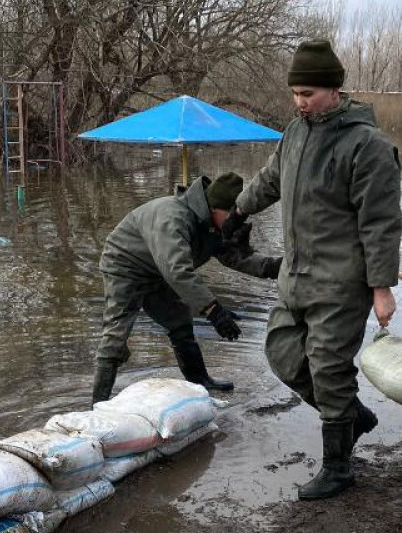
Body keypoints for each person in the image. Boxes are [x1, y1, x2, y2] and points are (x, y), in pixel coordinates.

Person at [234, 39, 402, 501]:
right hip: (296, 276)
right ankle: (353, 416)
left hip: (342, 282)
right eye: (295, 93)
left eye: (308, 94)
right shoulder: (295, 132)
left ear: (334, 89)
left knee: (329, 368)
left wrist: (381, 287)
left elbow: (382, 222)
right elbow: (270, 179)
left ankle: (338, 468)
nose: (299, 102)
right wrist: (237, 211)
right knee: (282, 353)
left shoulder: (367, 145)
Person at [92, 172, 280, 404]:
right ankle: (96, 407)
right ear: (215, 208)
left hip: (158, 271)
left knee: (179, 320)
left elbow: (235, 257)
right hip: (125, 266)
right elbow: (178, 271)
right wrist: (214, 311)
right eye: (233, 214)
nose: (236, 221)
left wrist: (274, 267)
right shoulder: (173, 217)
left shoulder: (213, 226)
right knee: (115, 337)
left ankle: (200, 381)